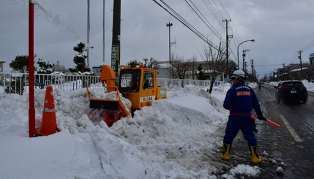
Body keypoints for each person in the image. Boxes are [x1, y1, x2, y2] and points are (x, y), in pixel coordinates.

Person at [221, 70, 266, 163]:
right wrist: (259, 114)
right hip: (247, 118)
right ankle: (255, 158)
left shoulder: (232, 90)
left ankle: (225, 155)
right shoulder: (250, 90)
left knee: (229, 136)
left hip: (234, 118)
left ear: (238, 79)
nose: (232, 81)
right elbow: (256, 104)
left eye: (233, 79)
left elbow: (226, 105)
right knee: (250, 137)